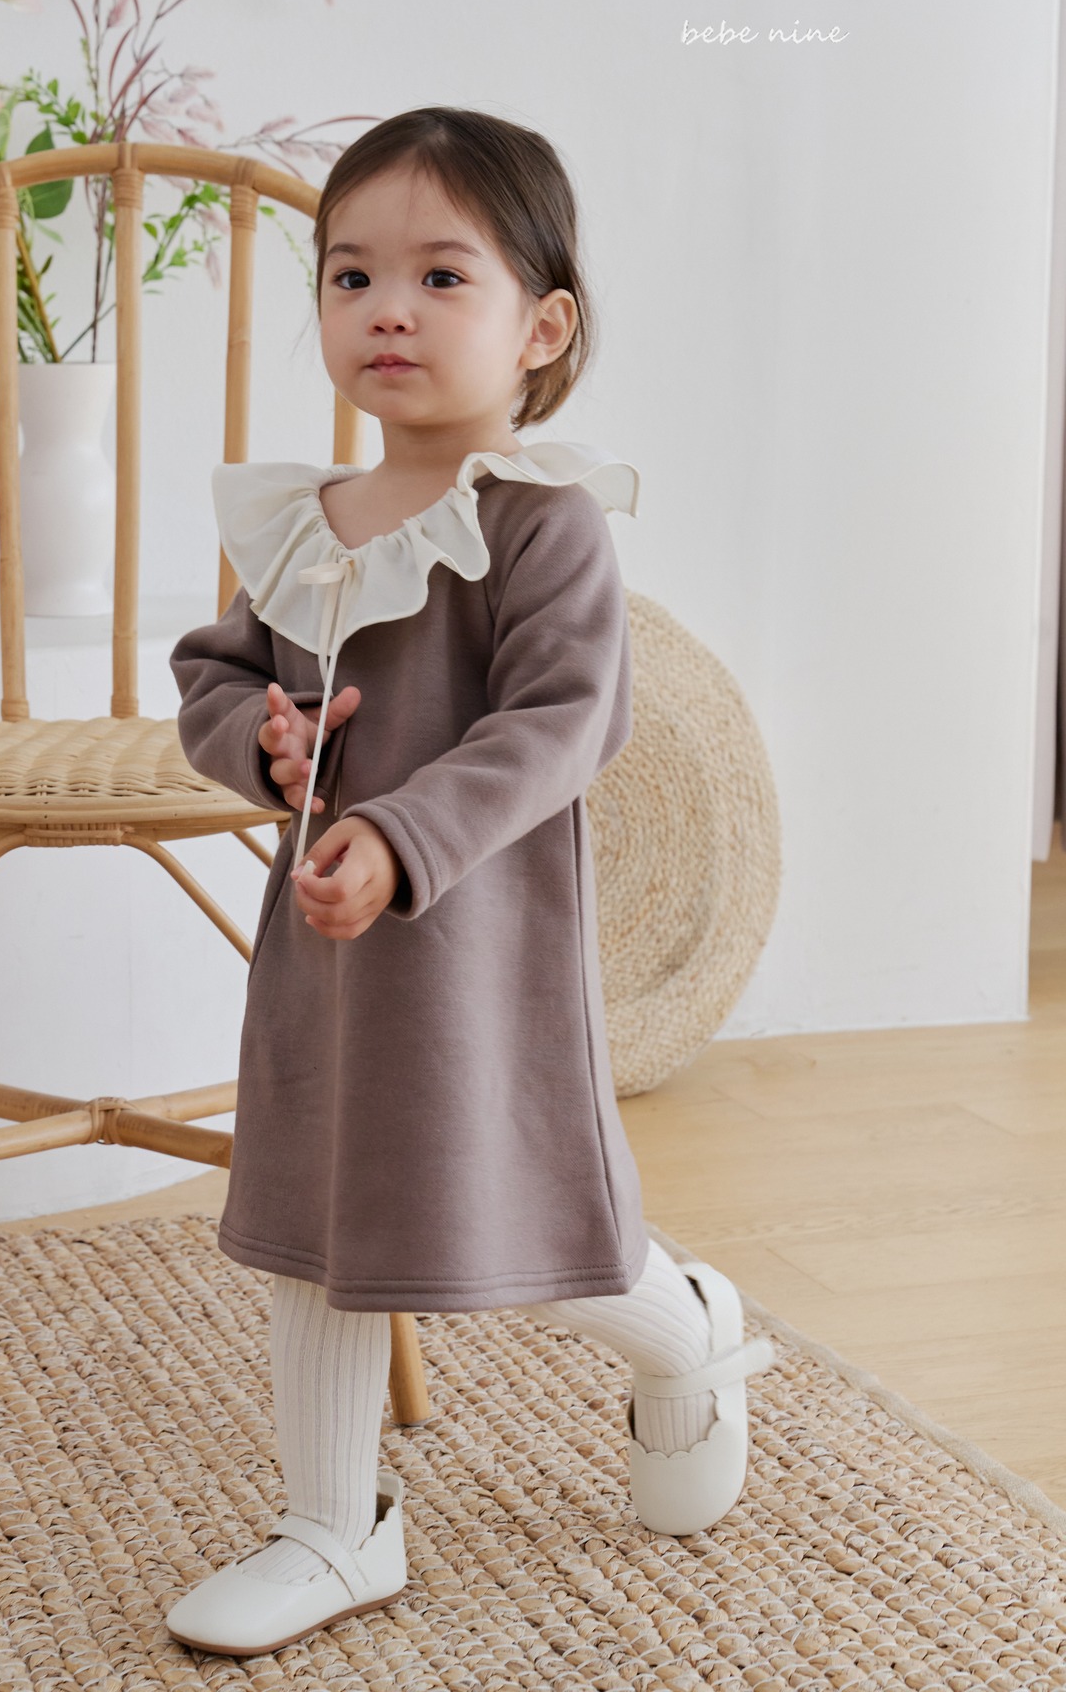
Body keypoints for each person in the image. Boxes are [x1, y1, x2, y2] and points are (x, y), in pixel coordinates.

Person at [165, 107, 774, 1656]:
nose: (389, 309)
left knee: (511, 1221)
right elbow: (214, 678)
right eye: (352, 275)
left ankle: (685, 1329)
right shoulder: (300, 528)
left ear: (539, 330)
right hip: (325, 948)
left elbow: (563, 722)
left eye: (443, 277)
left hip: (475, 950)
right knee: (318, 1212)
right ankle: (334, 1526)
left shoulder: (543, 525)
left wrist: (403, 835)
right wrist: (269, 746)